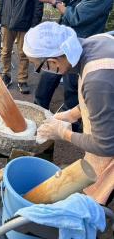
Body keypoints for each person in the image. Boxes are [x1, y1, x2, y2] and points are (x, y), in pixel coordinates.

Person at [23, 21, 114, 205]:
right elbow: (106, 99)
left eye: (38, 66)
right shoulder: (94, 42)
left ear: (53, 62)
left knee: (97, 198)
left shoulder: (97, 79)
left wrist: (63, 133)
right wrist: (73, 114)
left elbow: (105, 146)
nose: (39, 71)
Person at [35, 0, 113, 111]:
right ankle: (38, 110)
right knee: (49, 73)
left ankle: (69, 123)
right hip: (64, 38)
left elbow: (76, 17)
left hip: (81, 42)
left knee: (72, 85)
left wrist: (54, 2)